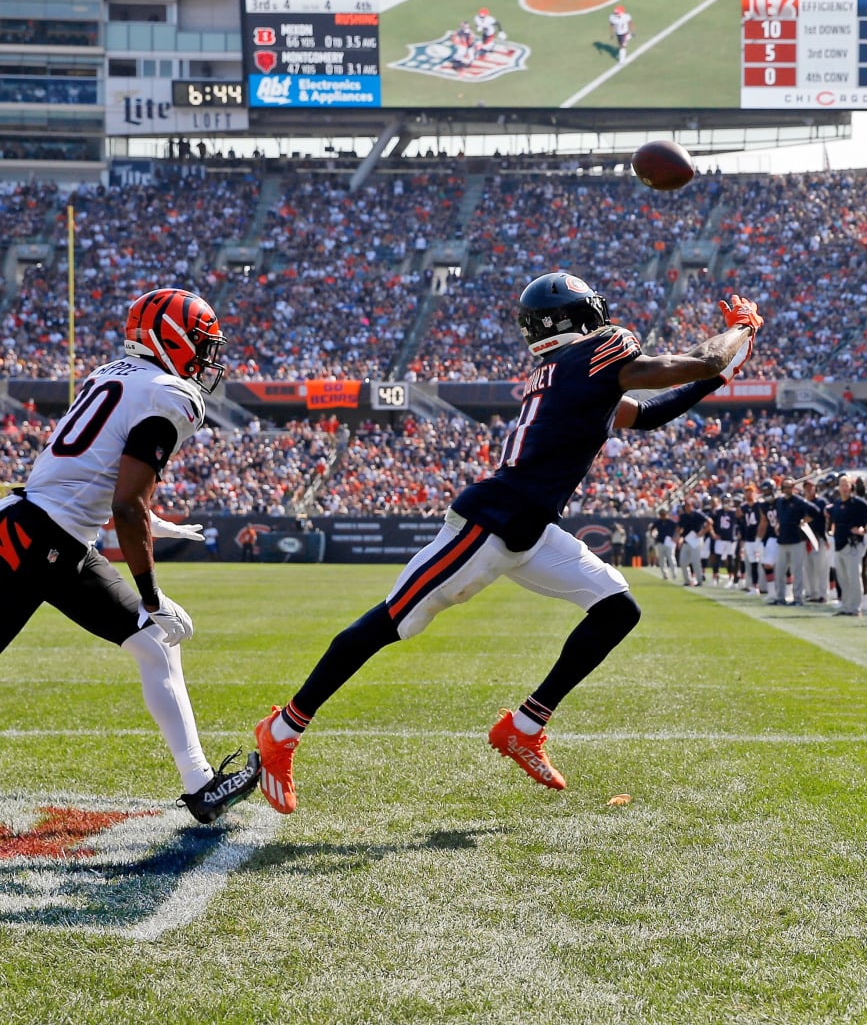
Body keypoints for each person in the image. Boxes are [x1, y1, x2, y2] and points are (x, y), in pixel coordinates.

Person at [253, 273, 761, 811]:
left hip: (530, 528)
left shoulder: (567, 373)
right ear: (584, 317)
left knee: (617, 609)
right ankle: (282, 730)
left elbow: (652, 413)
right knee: (392, 621)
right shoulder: (594, 354)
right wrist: (739, 331)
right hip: (490, 522)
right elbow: (700, 361)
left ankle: (524, 725)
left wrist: (724, 370)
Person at [0, 287, 260, 822]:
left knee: (153, 642)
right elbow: (125, 501)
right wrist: (152, 593)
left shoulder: (112, 374)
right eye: (202, 343)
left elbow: (92, 482)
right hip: (37, 539)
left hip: (52, 534)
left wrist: (152, 523)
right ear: (173, 338)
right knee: (153, 626)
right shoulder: (171, 395)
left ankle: (201, 786)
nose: (209, 357)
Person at [826, 475, 867, 617]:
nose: (844, 488)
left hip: (852, 544)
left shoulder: (857, 502)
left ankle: (855, 607)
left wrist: (866, 529)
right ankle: (846, 605)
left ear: (851, 487)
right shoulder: (837, 503)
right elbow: (834, 520)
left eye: (846, 485)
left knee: (853, 576)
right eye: (841, 485)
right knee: (843, 578)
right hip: (839, 543)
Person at [770, 476, 813, 605]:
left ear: (793, 488)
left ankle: (798, 598)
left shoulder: (799, 501)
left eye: (790, 487)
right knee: (779, 571)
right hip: (782, 540)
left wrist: (804, 521)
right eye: (785, 487)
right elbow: (779, 516)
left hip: (796, 540)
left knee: (797, 571)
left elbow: (814, 511)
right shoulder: (779, 502)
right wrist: (778, 525)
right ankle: (780, 597)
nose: (787, 489)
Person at [800, 477, 830, 603]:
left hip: (818, 537)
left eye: (810, 487)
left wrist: (826, 537)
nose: (809, 489)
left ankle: (823, 593)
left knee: (821, 567)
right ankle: (811, 592)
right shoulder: (801, 503)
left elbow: (826, 518)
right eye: (806, 487)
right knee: (807, 568)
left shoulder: (821, 502)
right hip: (804, 538)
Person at [675, 493, 710, 587]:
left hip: (696, 540)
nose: (687, 507)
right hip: (686, 540)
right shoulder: (683, 516)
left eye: (688, 505)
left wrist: (702, 532)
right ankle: (687, 580)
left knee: (696, 561)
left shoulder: (698, 514)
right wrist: (679, 538)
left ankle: (699, 580)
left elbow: (710, 522)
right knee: (682, 562)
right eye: (686, 506)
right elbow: (679, 528)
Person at [650, 506, 679, 582]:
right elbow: (651, 529)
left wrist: (675, 537)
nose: (662, 515)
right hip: (660, 542)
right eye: (661, 514)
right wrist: (653, 536)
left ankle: (674, 573)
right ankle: (665, 575)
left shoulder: (671, 522)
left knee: (671, 558)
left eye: (663, 514)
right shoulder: (658, 522)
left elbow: (677, 529)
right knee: (662, 560)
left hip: (669, 542)